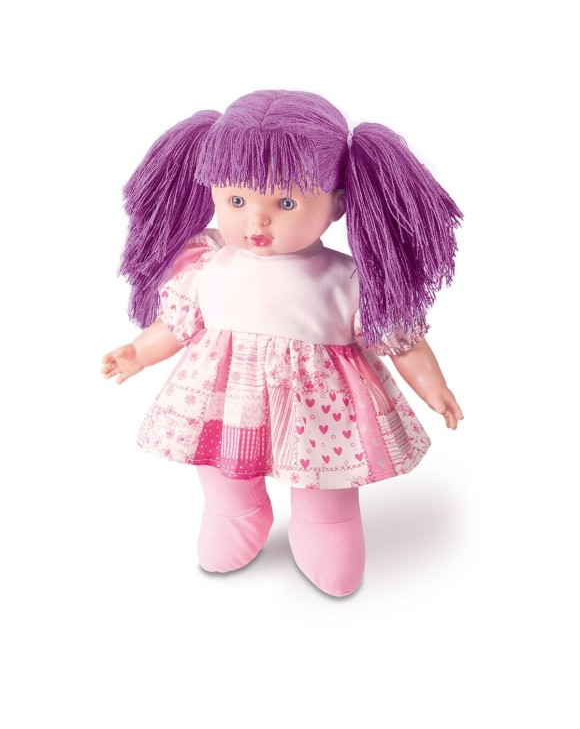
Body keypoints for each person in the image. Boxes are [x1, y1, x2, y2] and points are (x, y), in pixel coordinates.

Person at [101, 89, 464, 597]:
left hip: (317, 411)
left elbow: (400, 340)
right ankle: (236, 513)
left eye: (286, 203)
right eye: (236, 201)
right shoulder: (207, 265)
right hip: (226, 401)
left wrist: (433, 386)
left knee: (324, 486)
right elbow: (178, 325)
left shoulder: (346, 279)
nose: (257, 221)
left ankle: (327, 530)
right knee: (223, 472)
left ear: (338, 204)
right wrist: (138, 353)